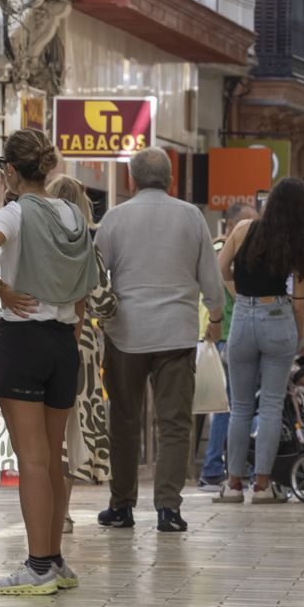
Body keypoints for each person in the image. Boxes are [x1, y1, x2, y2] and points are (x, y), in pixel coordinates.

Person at [0, 132, 96, 593]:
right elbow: (82, 288)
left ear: (12, 170)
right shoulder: (71, 214)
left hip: (23, 338)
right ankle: (56, 561)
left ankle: (38, 564)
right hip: (64, 341)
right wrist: (71, 337)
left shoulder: (16, 211)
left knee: (32, 460)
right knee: (54, 458)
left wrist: (2, 290)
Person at [94, 148, 223, 531]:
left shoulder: (114, 219)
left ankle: (121, 506)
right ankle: (168, 508)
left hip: (125, 334)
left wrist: (102, 318)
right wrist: (214, 316)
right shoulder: (191, 216)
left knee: (124, 421)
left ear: (131, 181)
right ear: (171, 180)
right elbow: (210, 279)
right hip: (176, 334)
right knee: (174, 424)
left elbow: (97, 278)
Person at [215, 177, 304, 502]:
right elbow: (299, 300)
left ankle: (233, 484)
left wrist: (241, 296)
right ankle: (262, 486)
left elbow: (221, 268)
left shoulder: (242, 230)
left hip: (243, 320)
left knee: (240, 407)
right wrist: (300, 336)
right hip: (278, 318)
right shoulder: (296, 242)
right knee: (272, 405)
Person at [46, 174, 110, 525]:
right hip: (81, 346)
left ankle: (46, 509)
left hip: (40, 336)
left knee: (44, 432)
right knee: (71, 430)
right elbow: (101, 300)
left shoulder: (39, 238)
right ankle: (64, 512)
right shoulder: (86, 243)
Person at [200, 203, 257, 488]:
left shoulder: (222, 248)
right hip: (226, 335)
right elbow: (221, 284)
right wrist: (245, 294)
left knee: (229, 405)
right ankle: (218, 467)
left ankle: (215, 467)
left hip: (225, 335)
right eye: (247, 223)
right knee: (233, 405)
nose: (252, 228)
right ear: (232, 224)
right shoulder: (226, 251)